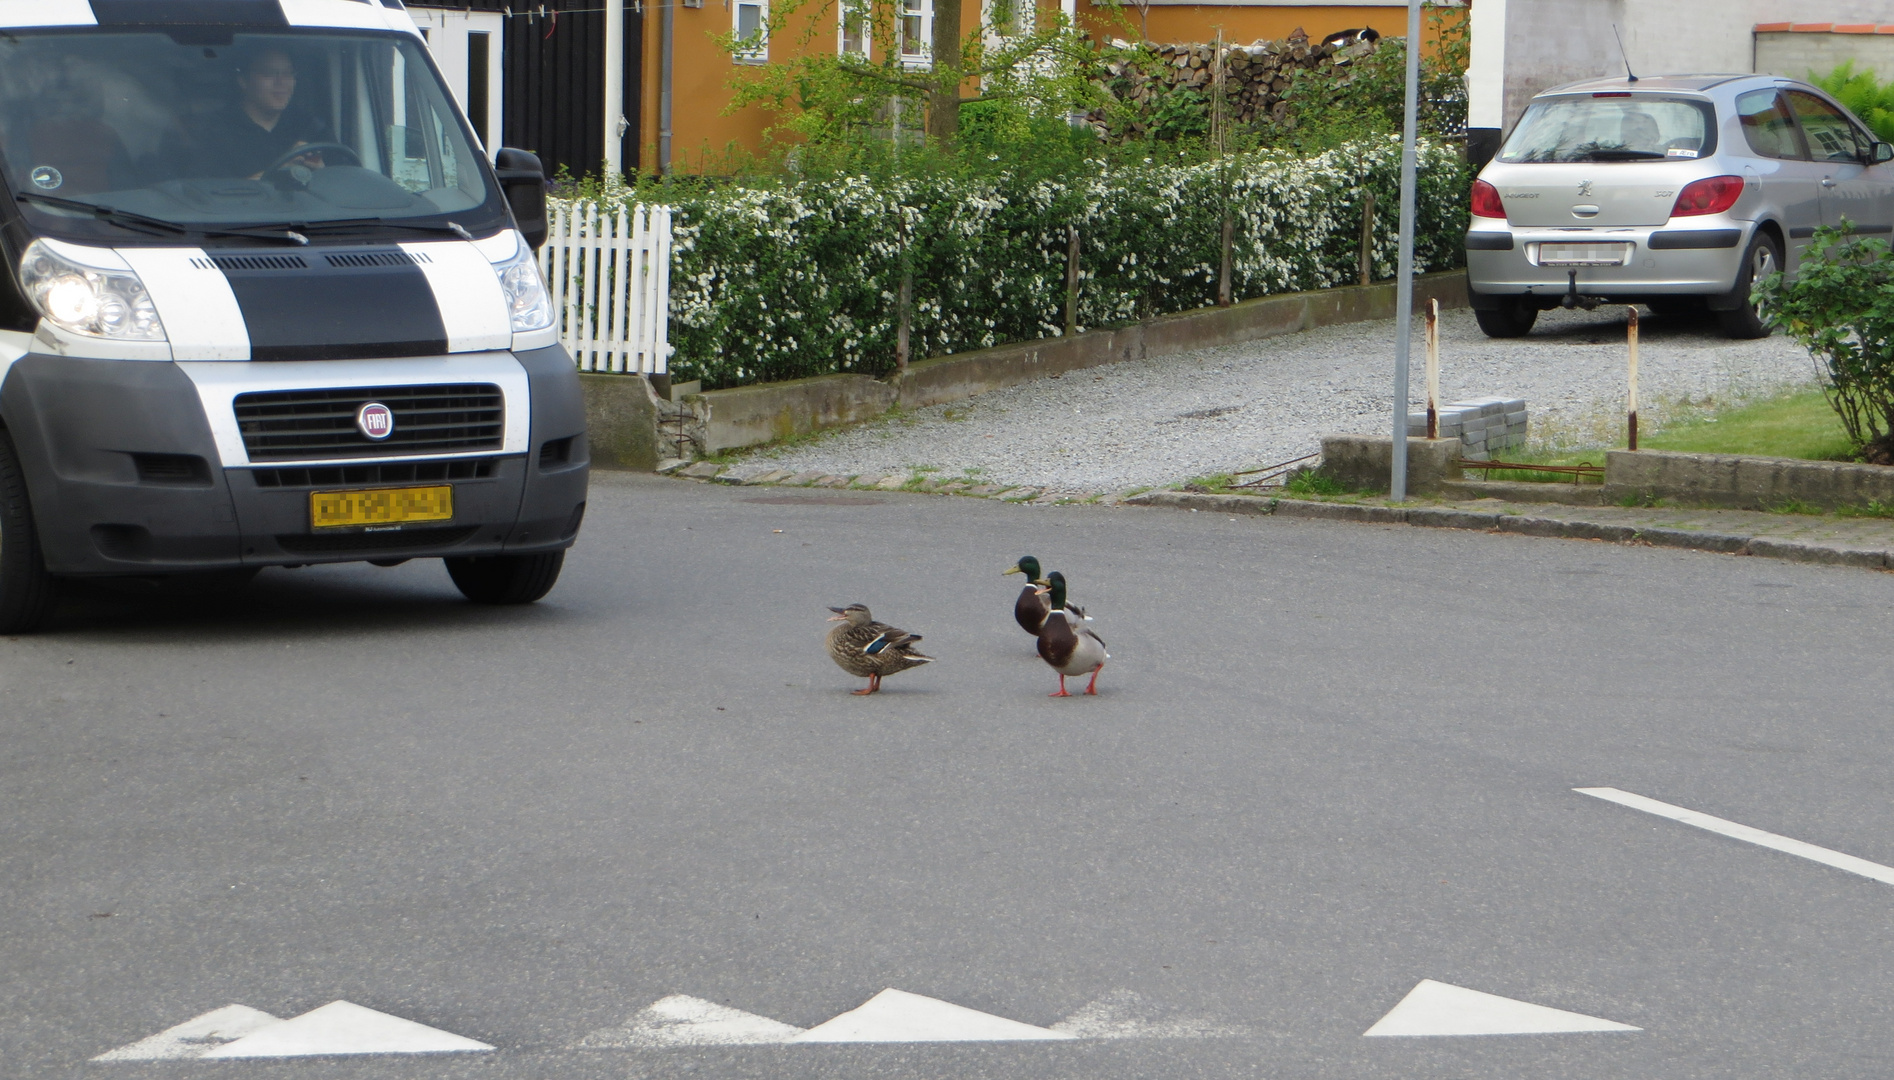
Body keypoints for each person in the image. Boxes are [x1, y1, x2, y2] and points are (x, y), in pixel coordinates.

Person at [174, 47, 331, 180]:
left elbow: (345, 182)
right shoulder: (212, 132)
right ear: (243, 81)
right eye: (270, 73)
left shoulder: (311, 127)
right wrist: (282, 170)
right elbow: (208, 197)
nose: (282, 82)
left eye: (288, 73)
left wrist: (323, 173)